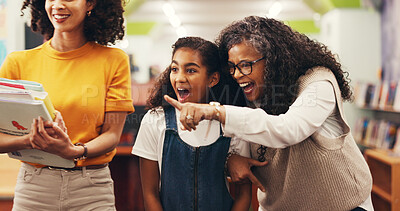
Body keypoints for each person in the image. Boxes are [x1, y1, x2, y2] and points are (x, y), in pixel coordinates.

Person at [164, 16, 373, 211]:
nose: (237, 75)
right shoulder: (246, 95)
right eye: (232, 67)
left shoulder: (318, 82)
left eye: (245, 65)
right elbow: (235, 145)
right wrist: (231, 160)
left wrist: (215, 111)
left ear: (274, 59)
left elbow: (287, 129)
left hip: (347, 206)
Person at [0, 0, 134, 210]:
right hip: (34, 189)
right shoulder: (17, 63)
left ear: (90, 3)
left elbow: (112, 135)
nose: (58, 5)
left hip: (91, 189)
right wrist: (32, 141)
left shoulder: (114, 60)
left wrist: (73, 151)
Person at [131, 36, 251, 211]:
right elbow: (150, 194)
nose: (179, 78)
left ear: (213, 79)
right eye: (174, 69)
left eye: (191, 70)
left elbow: (244, 194)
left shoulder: (230, 122)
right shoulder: (155, 120)